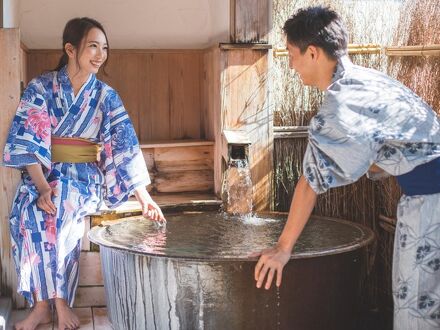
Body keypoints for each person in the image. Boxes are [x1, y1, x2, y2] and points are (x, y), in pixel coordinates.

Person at [254, 6, 440, 330]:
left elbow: (309, 182)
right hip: (426, 197)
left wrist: (283, 248)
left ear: (312, 53)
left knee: (418, 314)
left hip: (431, 204)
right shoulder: (368, 80)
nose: (290, 65)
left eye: (291, 54)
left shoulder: (339, 106)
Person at [2, 17, 165, 330]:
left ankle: (59, 303)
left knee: (62, 204)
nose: (100, 54)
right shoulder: (41, 88)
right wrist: (40, 187)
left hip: (85, 178)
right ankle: (42, 305)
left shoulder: (106, 96)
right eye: (93, 46)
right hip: (44, 176)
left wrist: (143, 196)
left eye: (104, 48)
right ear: (70, 49)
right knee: (30, 211)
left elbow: (123, 146)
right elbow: (28, 140)